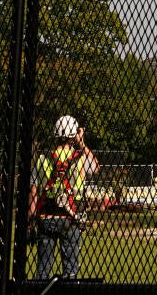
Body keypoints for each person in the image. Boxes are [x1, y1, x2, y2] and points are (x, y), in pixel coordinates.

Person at [29, 115, 98, 280]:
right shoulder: (80, 158)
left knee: (43, 269)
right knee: (70, 270)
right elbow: (96, 167)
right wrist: (82, 143)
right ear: (74, 135)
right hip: (70, 217)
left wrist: (30, 221)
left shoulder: (42, 159)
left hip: (46, 216)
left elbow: (33, 192)